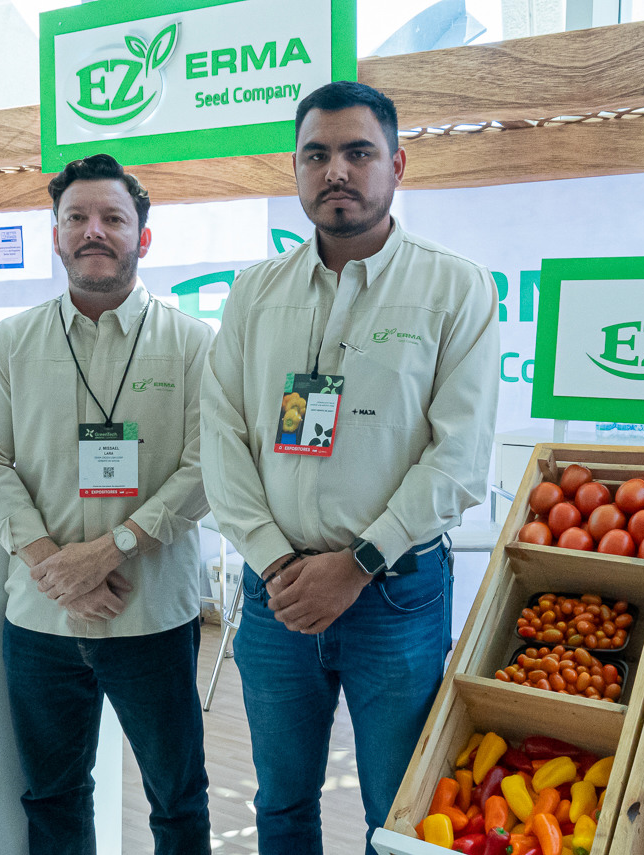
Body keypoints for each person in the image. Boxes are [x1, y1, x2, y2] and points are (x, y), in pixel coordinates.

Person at [199, 81, 500, 853]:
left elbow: (459, 458)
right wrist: (276, 563)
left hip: (395, 597)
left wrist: (359, 562)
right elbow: (221, 438)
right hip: (276, 596)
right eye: (317, 154)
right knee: (281, 803)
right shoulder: (254, 291)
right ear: (296, 170)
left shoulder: (454, 286)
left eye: (358, 152)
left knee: (396, 816)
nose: (336, 170)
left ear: (396, 165)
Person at [0, 153, 212, 855]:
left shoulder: (191, 342)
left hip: (150, 615)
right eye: (76, 217)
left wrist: (109, 550)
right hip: (40, 618)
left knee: (177, 802)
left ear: (144, 237)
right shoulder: (13, 341)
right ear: (56, 236)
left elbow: (208, 468)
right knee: (53, 798)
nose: (93, 230)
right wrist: (52, 563)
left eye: (112, 218)